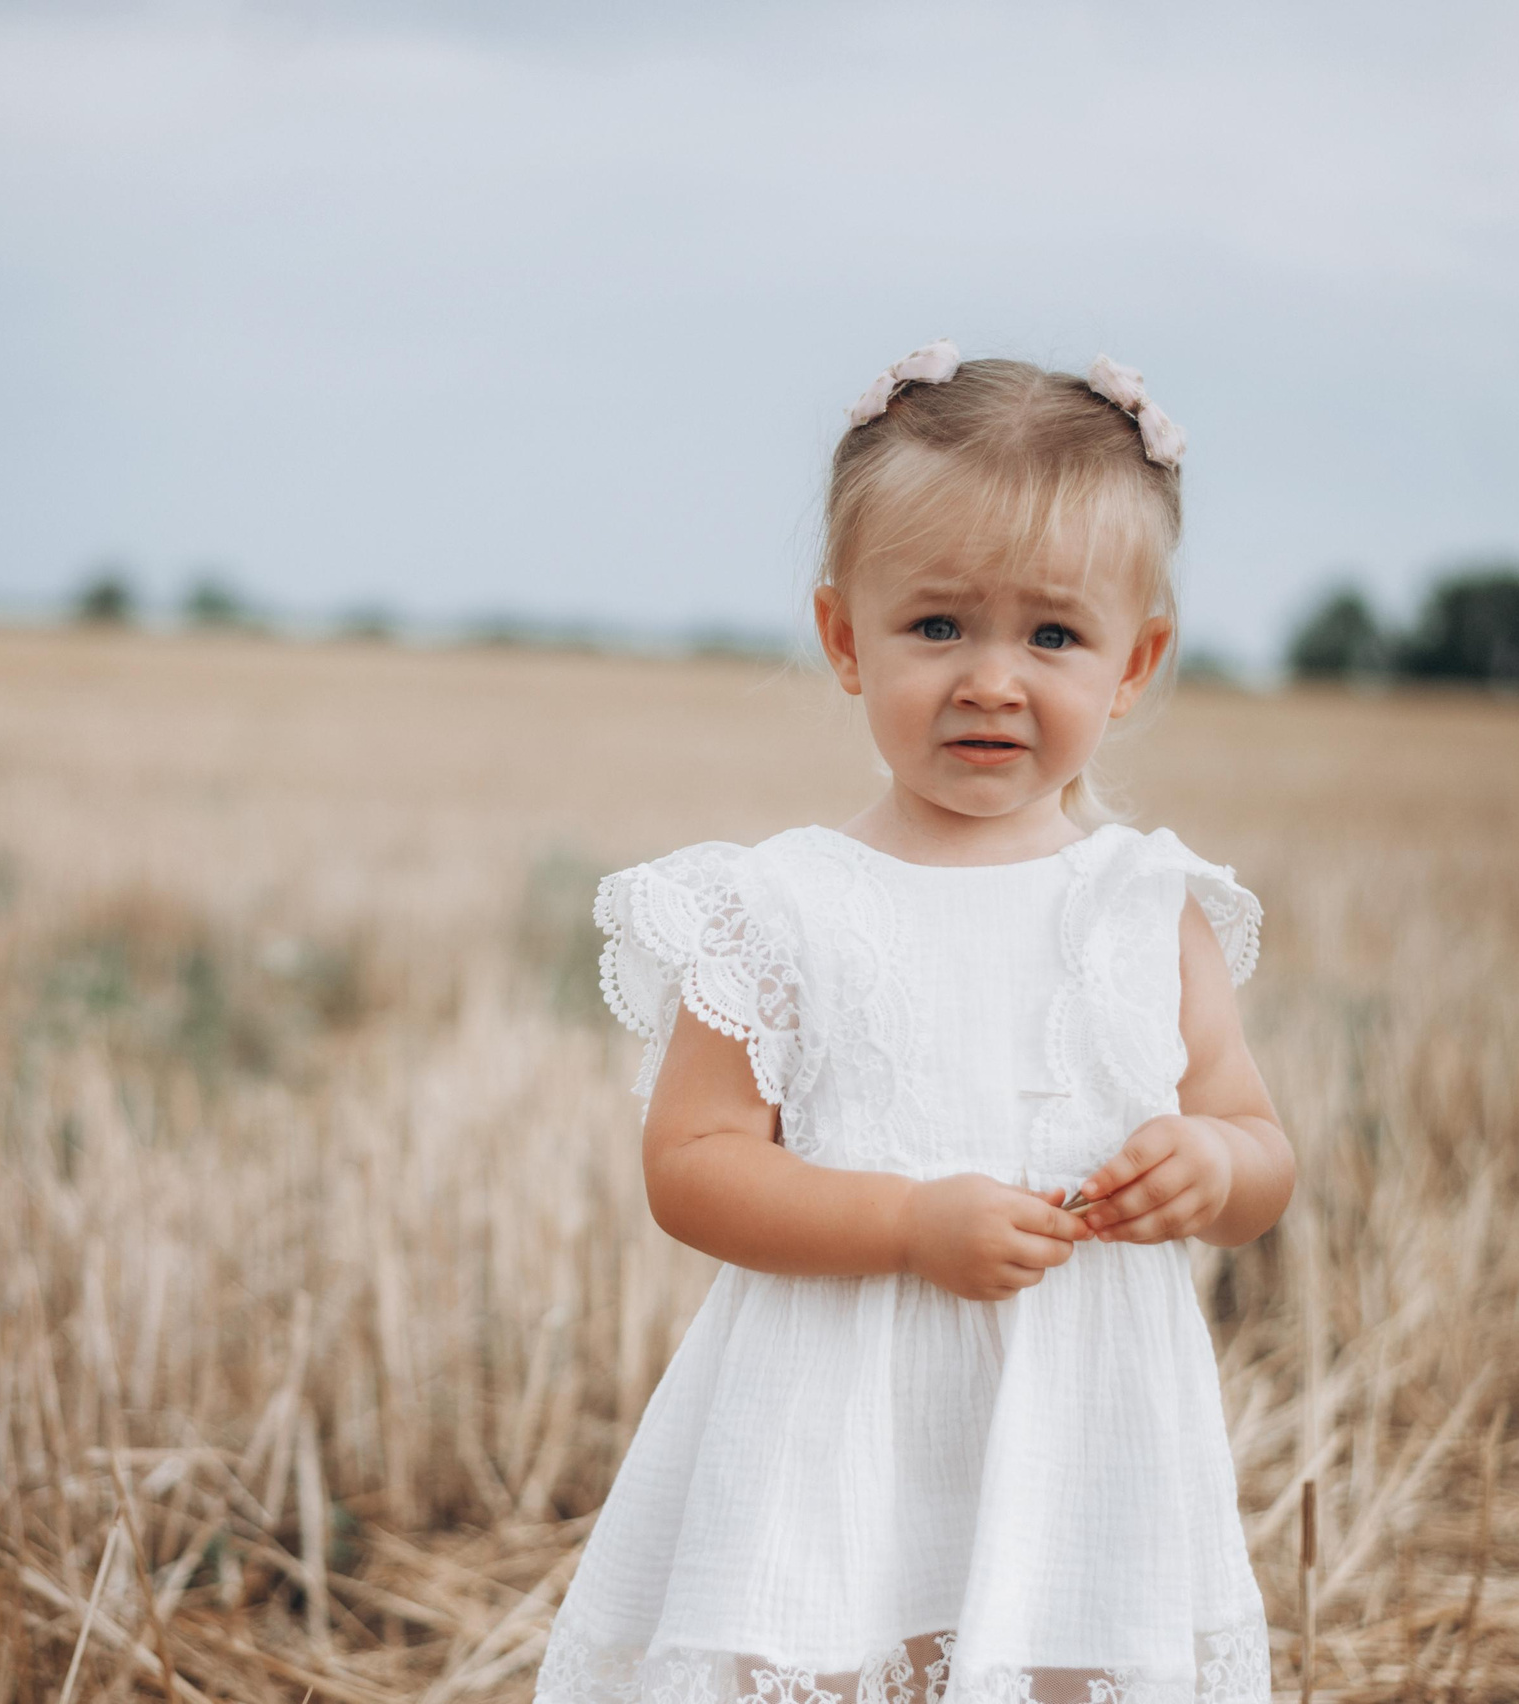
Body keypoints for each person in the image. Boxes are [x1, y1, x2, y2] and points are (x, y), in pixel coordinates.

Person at [535, 343, 1292, 1704]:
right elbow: (693, 1166)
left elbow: (1253, 1137)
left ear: (1136, 663)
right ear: (844, 638)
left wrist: (1215, 1166)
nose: (994, 680)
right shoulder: (779, 907)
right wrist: (905, 1224)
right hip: (835, 1419)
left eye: (1053, 635)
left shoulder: (1148, 905)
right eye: (938, 627)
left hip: (1083, 1431)